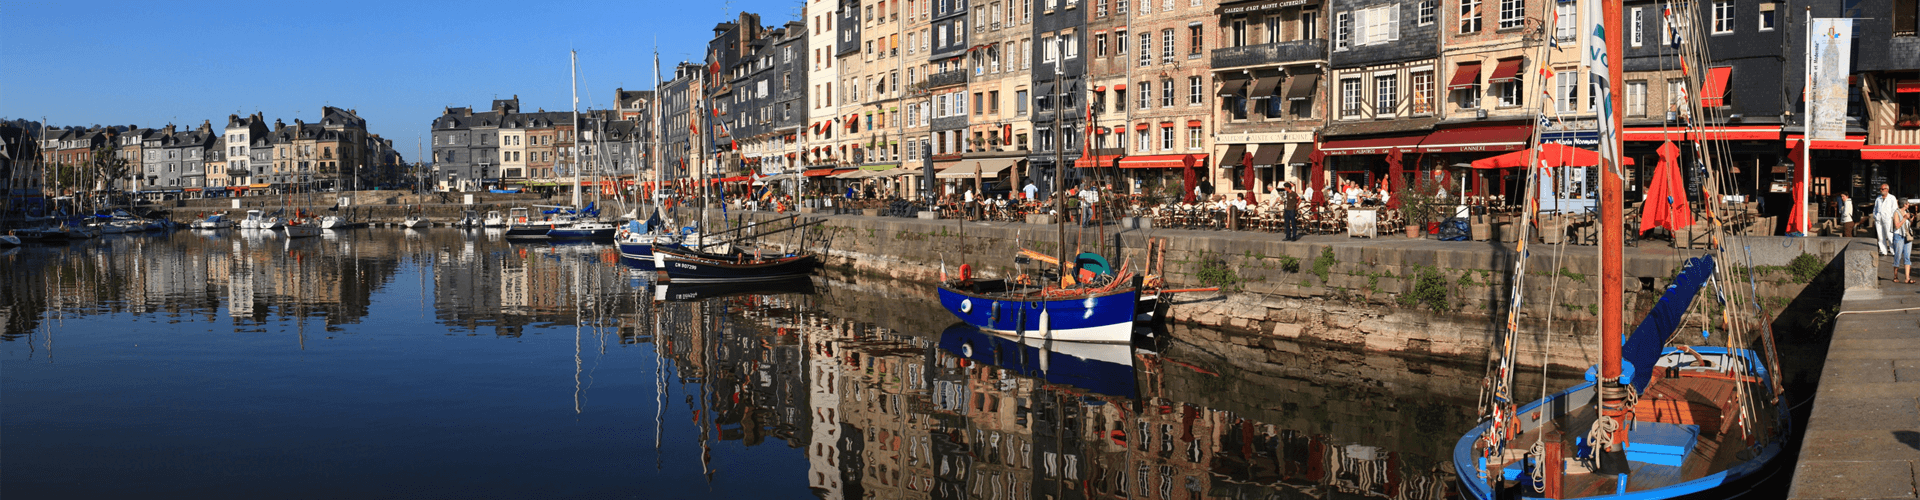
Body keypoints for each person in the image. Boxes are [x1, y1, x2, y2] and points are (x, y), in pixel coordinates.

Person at [1874, 183, 1899, 255]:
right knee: (1880, 235)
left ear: (1887, 190)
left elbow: (1894, 209)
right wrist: (1875, 216)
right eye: (1880, 189)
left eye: (1882, 189)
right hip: (1879, 219)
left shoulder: (1892, 198)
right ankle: (1883, 250)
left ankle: (1894, 251)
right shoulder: (1878, 198)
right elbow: (1875, 208)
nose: (1881, 190)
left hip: (1888, 219)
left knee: (1890, 235)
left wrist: (1891, 217)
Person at [1895, 201, 1914, 284]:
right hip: (1899, 236)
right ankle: (1895, 276)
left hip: (1907, 236)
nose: (1908, 205)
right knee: (1898, 256)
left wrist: (1911, 220)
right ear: (1903, 204)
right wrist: (1904, 218)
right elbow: (1897, 226)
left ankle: (1907, 278)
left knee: (1907, 257)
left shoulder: (1907, 212)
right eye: (1906, 203)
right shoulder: (1896, 213)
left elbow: (1908, 226)